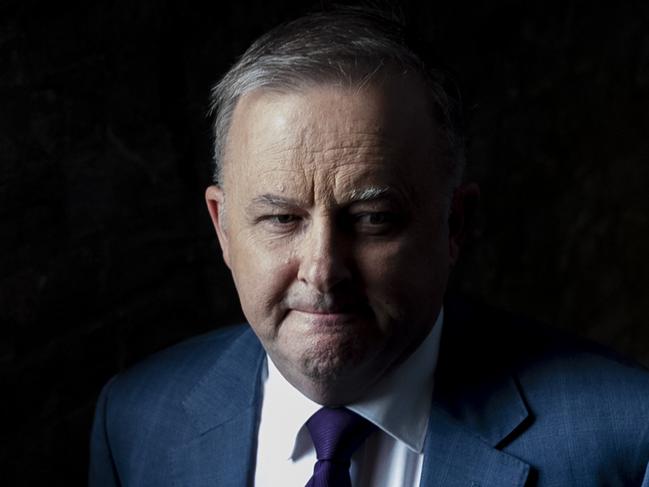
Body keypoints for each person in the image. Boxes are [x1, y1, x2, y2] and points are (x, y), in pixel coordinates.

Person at [89, 7, 649, 487]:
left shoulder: (628, 436)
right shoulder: (136, 422)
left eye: (373, 219)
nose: (323, 271)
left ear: (455, 225)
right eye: (281, 218)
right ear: (224, 229)